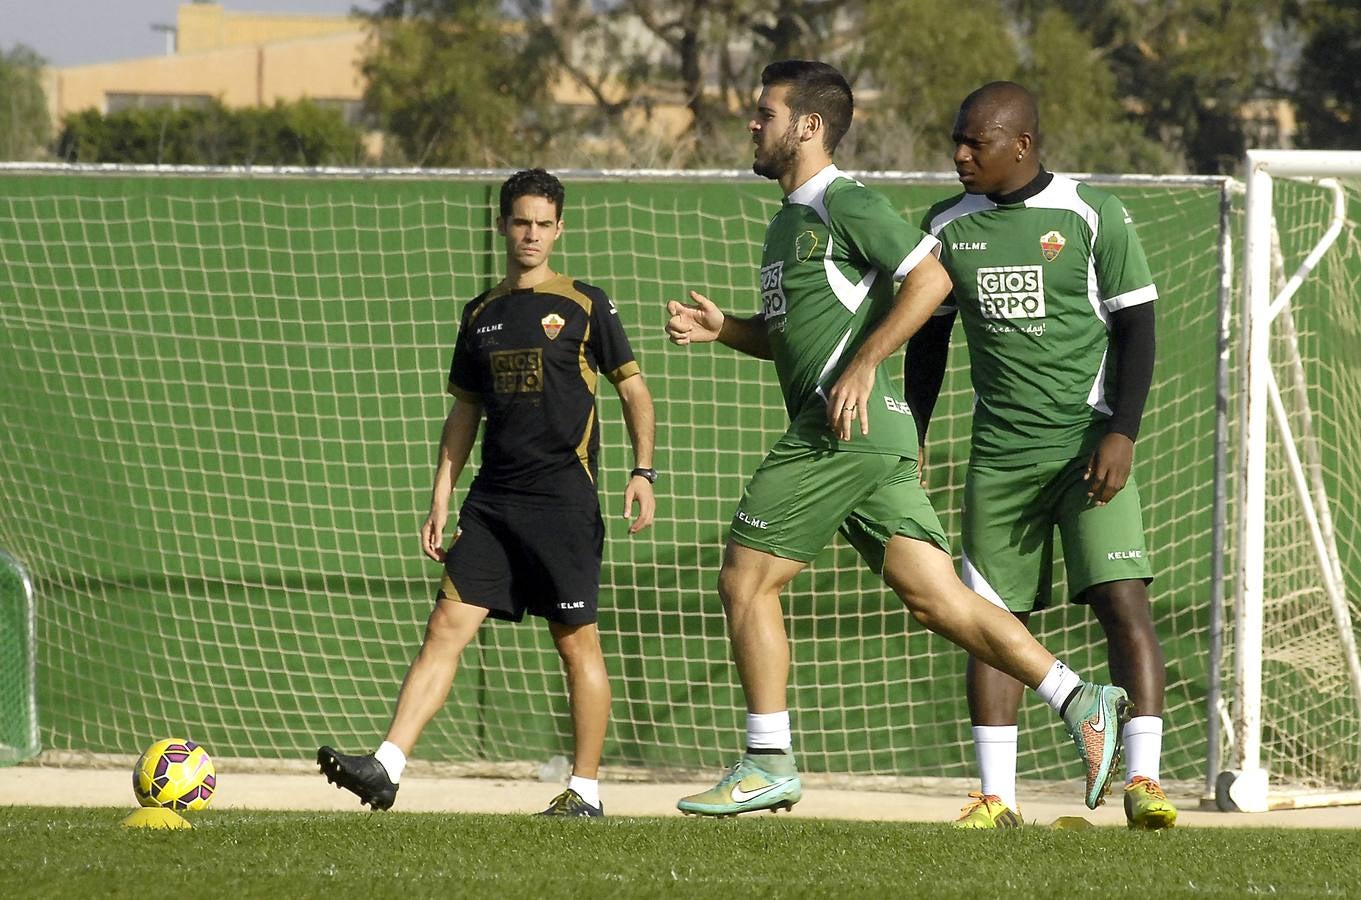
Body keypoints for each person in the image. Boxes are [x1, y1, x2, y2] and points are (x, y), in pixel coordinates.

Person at [664, 60, 1130, 818]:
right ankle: (1079, 698)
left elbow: (931, 279)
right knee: (937, 599)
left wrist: (865, 366)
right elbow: (799, 342)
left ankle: (766, 758)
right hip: (868, 440)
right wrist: (727, 331)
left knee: (744, 580)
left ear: (807, 127)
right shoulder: (787, 221)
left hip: (841, 432)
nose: (752, 124)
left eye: (765, 113)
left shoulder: (843, 203)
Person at [318, 168, 657, 818]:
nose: (530, 234)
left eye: (542, 224)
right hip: (493, 504)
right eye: (520, 222)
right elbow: (463, 416)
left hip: (564, 503)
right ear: (502, 225)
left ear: (559, 229)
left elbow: (633, 391)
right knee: (446, 625)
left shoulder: (587, 304)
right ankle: (386, 766)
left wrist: (643, 473)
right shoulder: (480, 314)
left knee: (575, 641)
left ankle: (584, 793)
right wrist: (440, 497)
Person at [903, 82, 1176, 830]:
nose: (959, 155)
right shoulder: (945, 226)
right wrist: (913, 435)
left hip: (1087, 446)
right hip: (998, 460)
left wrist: (1122, 429)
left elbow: (1137, 329)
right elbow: (926, 343)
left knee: (1122, 601)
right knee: (991, 622)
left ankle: (1145, 783)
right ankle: (997, 798)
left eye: (974, 143)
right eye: (955, 141)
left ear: (1019, 145)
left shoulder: (1092, 214)